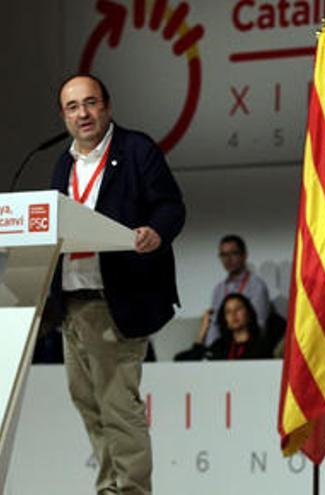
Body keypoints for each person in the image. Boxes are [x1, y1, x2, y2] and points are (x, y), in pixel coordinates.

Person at [49, 74, 185, 495]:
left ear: (106, 106)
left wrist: (155, 233)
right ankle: (110, 488)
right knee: (89, 405)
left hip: (118, 302)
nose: (83, 114)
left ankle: (131, 491)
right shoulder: (63, 164)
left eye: (90, 103)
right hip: (71, 305)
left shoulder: (136, 150)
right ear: (64, 115)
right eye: (73, 107)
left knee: (117, 407)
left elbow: (170, 205)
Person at [204, 234, 271, 345]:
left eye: (233, 253)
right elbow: (215, 325)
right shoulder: (219, 289)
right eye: (223, 255)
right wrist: (211, 351)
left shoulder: (256, 285)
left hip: (248, 346)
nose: (228, 259)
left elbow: (259, 323)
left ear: (244, 255)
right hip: (223, 348)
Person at [175, 294, 269, 360]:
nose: (233, 314)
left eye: (238, 309)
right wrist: (203, 331)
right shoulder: (220, 346)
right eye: (228, 311)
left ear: (248, 313)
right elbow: (185, 361)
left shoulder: (261, 346)